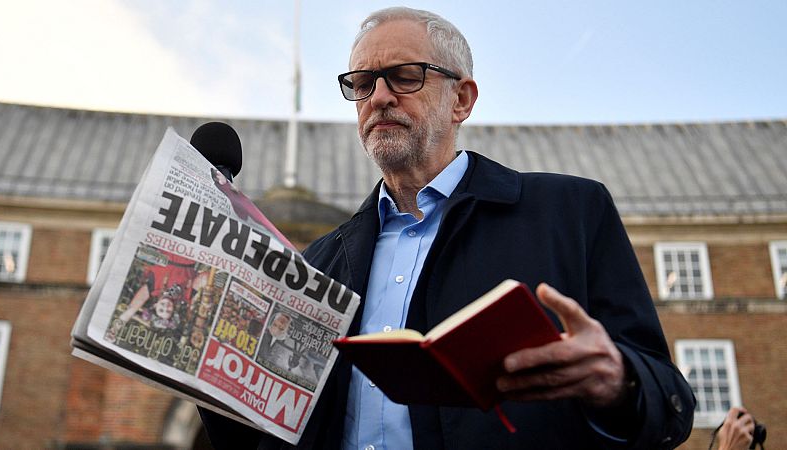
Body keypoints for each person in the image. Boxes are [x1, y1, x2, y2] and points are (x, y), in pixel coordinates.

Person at [200, 6, 695, 449]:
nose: (379, 97)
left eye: (404, 76)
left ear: (461, 99)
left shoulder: (570, 213)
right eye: (362, 83)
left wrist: (620, 381)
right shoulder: (320, 261)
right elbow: (267, 433)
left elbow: (670, 405)